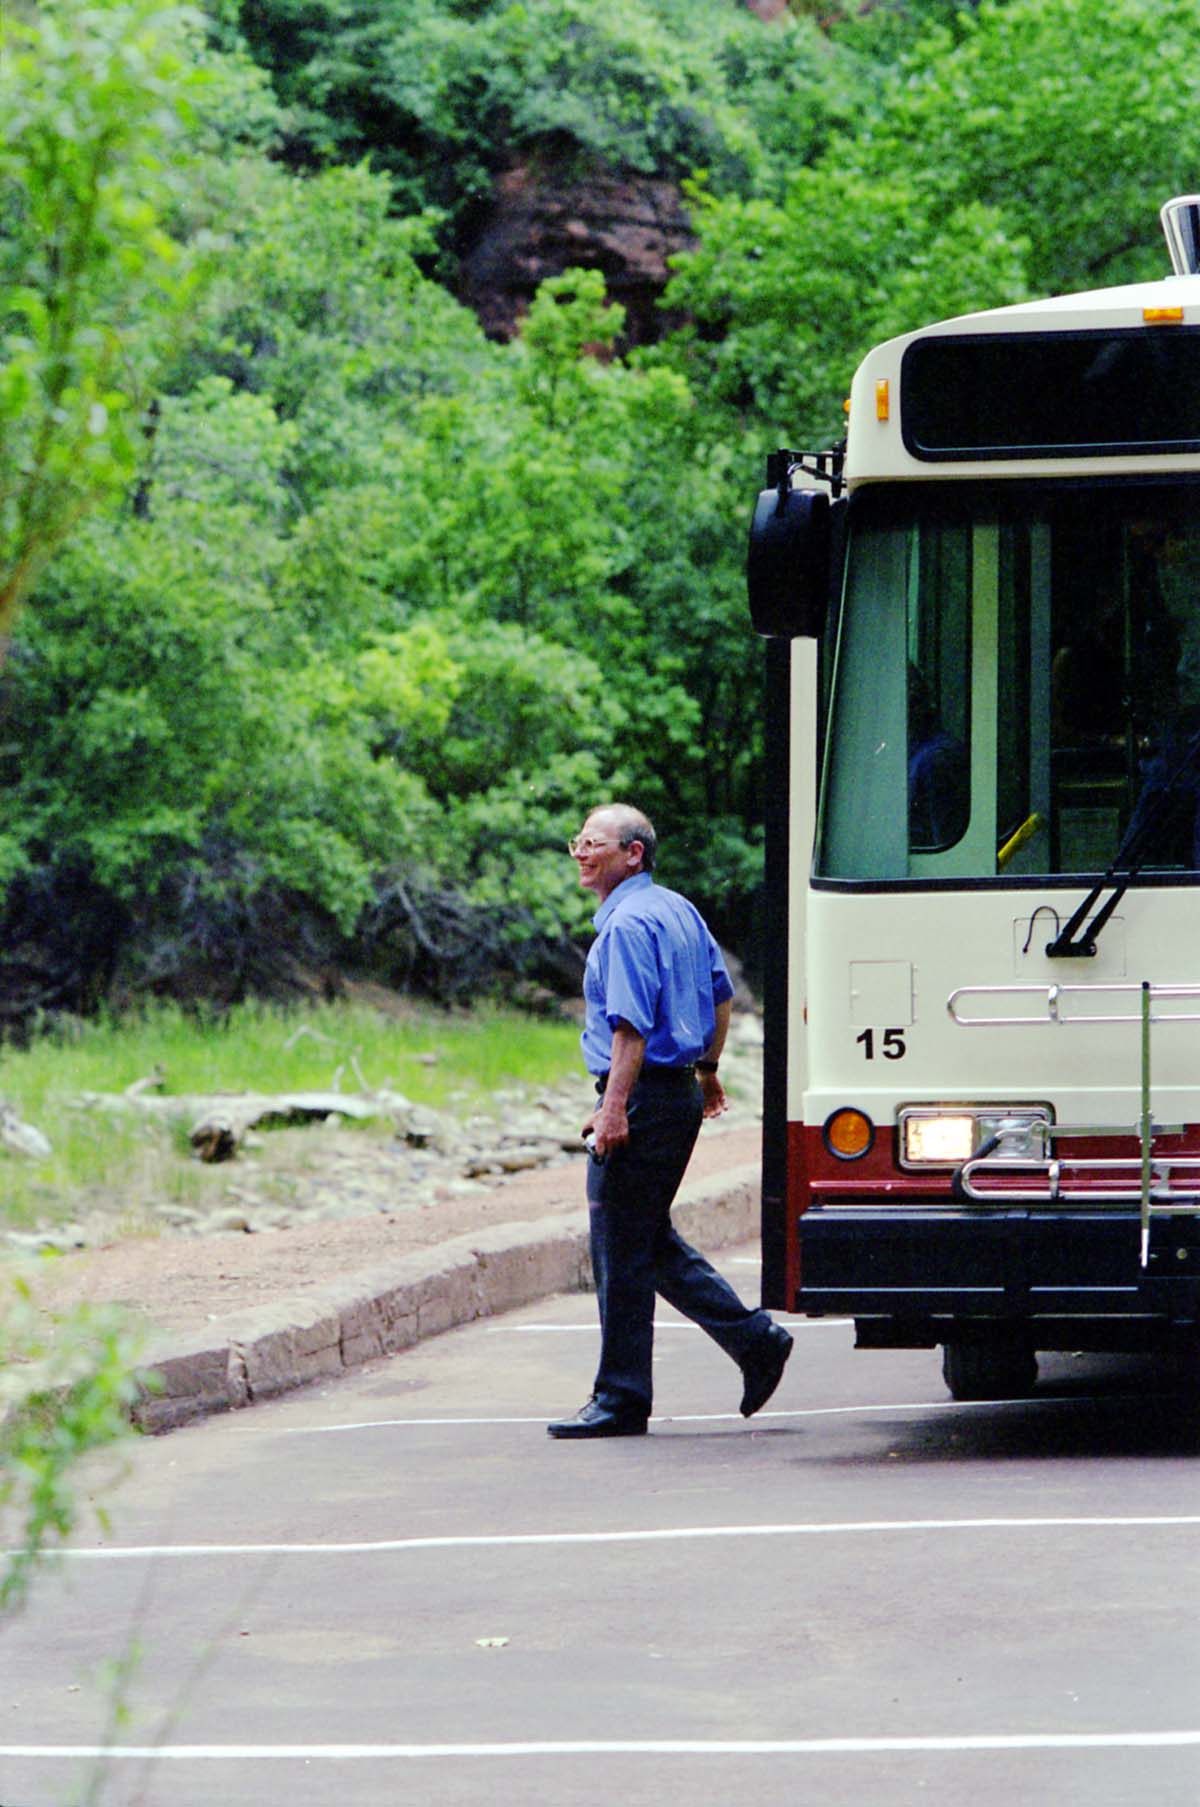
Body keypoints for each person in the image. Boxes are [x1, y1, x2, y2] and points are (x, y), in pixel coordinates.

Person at [547, 803, 793, 1440]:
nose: (581, 852)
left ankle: (622, 1397)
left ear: (634, 854)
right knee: (644, 1239)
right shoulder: (677, 909)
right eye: (578, 842)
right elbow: (721, 994)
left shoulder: (627, 925)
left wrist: (613, 1108)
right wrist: (707, 1070)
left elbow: (630, 1029)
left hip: (644, 1098)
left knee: (620, 1247)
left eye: (595, 843)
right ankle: (755, 1341)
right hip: (673, 1093)